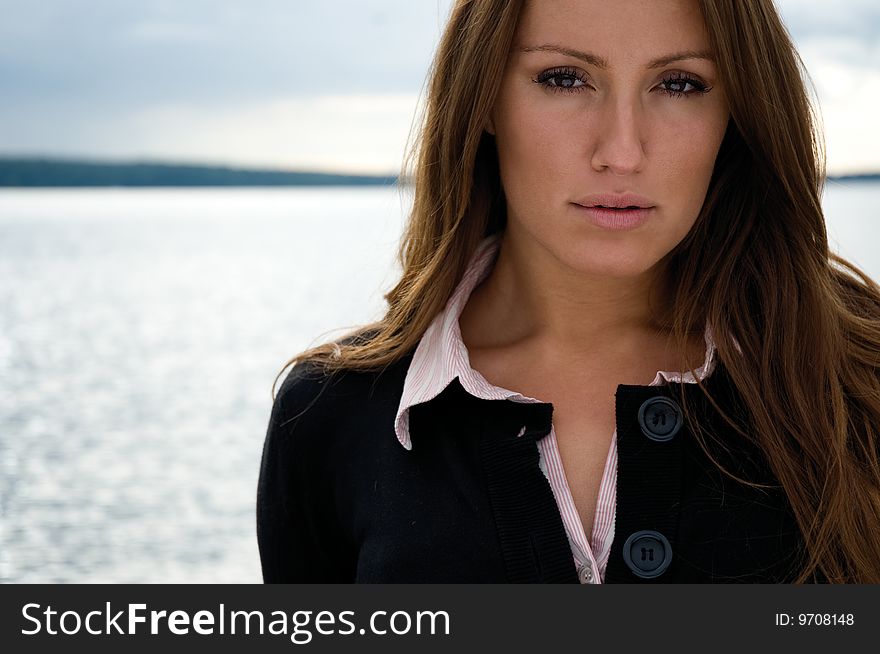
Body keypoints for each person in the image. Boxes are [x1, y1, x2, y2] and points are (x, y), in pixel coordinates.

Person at [257, 0, 880, 583]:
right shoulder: (328, 419)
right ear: (483, 100)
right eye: (564, 78)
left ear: (738, 113)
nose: (622, 152)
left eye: (680, 84)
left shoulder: (862, 377)